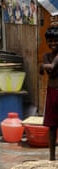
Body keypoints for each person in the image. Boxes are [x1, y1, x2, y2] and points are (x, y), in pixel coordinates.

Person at [40, 26, 58, 160]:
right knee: (51, 127)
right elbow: (48, 70)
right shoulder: (46, 55)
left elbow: (50, 68)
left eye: (56, 41)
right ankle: (52, 158)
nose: (53, 44)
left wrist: (43, 66)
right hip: (51, 92)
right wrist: (44, 66)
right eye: (50, 41)